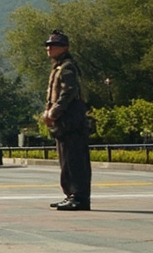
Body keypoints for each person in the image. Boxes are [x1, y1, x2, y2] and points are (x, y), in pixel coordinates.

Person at [42, 30, 91, 211]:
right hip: (64, 121)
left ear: (65, 48)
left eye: (53, 45)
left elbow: (69, 92)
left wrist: (53, 112)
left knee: (75, 160)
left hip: (72, 120)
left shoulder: (68, 67)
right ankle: (70, 194)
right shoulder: (59, 67)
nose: (49, 48)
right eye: (48, 45)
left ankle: (79, 197)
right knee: (66, 160)